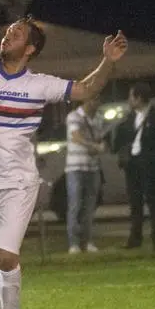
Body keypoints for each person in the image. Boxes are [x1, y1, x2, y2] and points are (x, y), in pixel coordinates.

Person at [0, 17, 127, 309]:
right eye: (7, 31)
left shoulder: (39, 85)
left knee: (7, 257)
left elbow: (85, 90)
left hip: (20, 183)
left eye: (17, 34)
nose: (8, 35)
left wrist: (108, 62)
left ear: (30, 49)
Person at [112, 82, 155, 251]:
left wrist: (152, 155)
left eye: (131, 96)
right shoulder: (129, 118)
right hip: (132, 164)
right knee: (135, 201)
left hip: (148, 162)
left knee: (152, 199)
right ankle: (135, 237)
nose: (129, 100)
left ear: (138, 98)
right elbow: (120, 138)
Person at [64, 96, 105, 254]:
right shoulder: (74, 116)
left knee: (90, 206)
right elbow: (75, 136)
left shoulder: (99, 118)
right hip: (75, 167)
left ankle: (87, 241)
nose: (98, 102)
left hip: (93, 167)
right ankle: (73, 243)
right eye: (95, 99)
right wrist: (92, 145)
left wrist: (101, 146)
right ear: (87, 100)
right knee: (75, 204)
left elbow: (100, 139)